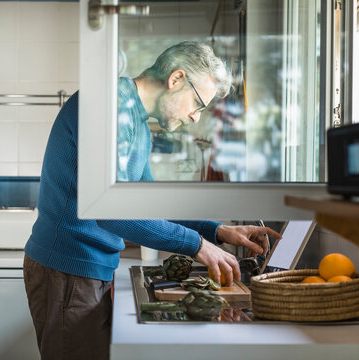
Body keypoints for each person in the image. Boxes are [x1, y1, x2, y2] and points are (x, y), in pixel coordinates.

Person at [23, 41, 281, 360]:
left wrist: (217, 231)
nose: (193, 118)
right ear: (176, 79)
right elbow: (111, 210)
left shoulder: (139, 127)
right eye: (198, 104)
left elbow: (148, 204)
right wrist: (198, 245)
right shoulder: (109, 104)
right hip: (66, 266)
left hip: (88, 269)